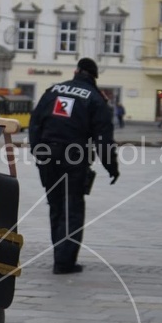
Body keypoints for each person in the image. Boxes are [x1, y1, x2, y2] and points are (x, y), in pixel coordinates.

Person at [29, 57, 119, 275]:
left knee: (56, 206)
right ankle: (64, 261)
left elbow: (35, 123)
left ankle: (60, 254)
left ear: (76, 71)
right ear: (93, 77)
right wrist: (111, 167)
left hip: (48, 155)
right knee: (73, 208)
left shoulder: (52, 91)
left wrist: (37, 151)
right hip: (74, 158)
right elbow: (103, 138)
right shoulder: (96, 99)